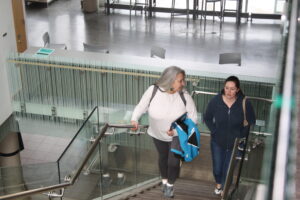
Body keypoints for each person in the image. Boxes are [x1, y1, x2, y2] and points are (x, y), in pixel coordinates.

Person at [131, 66, 198, 198]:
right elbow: (141, 106)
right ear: (170, 80)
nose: (183, 83)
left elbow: (193, 118)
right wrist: (134, 119)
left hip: (177, 135)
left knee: (173, 161)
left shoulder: (184, 96)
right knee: (163, 157)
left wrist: (177, 131)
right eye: (180, 80)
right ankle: (164, 181)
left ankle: (170, 185)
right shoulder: (153, 90)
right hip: (157, 134)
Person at [204, 76, 256, 195]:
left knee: (228, 170)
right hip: (217, 142)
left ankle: (224, 191)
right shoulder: (216, 101)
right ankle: (218, 184)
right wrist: (214, 131)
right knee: (217, 168)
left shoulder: (244, 102)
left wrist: (241, 135)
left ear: (238, 89)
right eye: (227, 88)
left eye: (232, 89)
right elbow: (207, 118)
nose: (229, 91)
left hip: (236, 143)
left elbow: (251, 121)